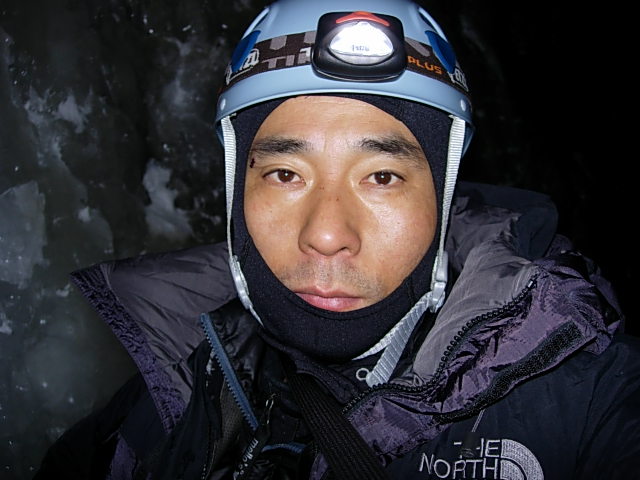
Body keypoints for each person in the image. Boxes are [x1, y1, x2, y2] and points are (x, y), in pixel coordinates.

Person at [34, 0, 640, 478]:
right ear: (237, 187)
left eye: (382, 177)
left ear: (443, 191)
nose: (326, 235)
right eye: (285, 174)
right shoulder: (155, 408)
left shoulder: (589, 396)